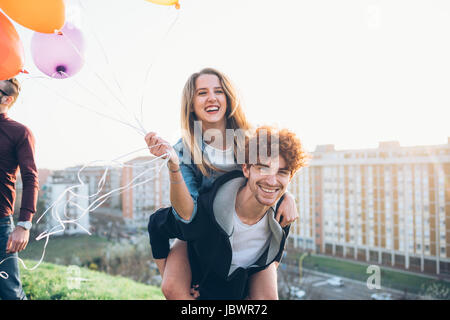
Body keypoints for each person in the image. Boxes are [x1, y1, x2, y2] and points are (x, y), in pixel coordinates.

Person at [145, 68, 299, 299]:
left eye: (218, 91)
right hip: (205, 231)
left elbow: (274, 173)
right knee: (174, 288)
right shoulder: (184, 149)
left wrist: (289, 197)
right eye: (202, 93)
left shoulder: (250, 139)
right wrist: (173, 166)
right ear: (191, 103)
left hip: (250, 230)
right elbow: (188, 215)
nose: (212, 98)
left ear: (228, 97)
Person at [148, 126, 308, 299]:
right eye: (263, 168)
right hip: (199, 272)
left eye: (282, 172)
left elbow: (272, 258)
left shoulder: (282, 215)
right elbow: (157, 223)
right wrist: (167, 274)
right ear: (246, 169)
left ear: (290, 177)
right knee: (173, 289)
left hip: (235, 283)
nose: (271, 180)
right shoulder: (207, 210)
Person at [0, 78, 39, 300]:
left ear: (7, 98)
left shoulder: (20, 133)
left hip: (0, 226)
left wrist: (24, 224)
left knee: (10, 294)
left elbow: (30, 178)